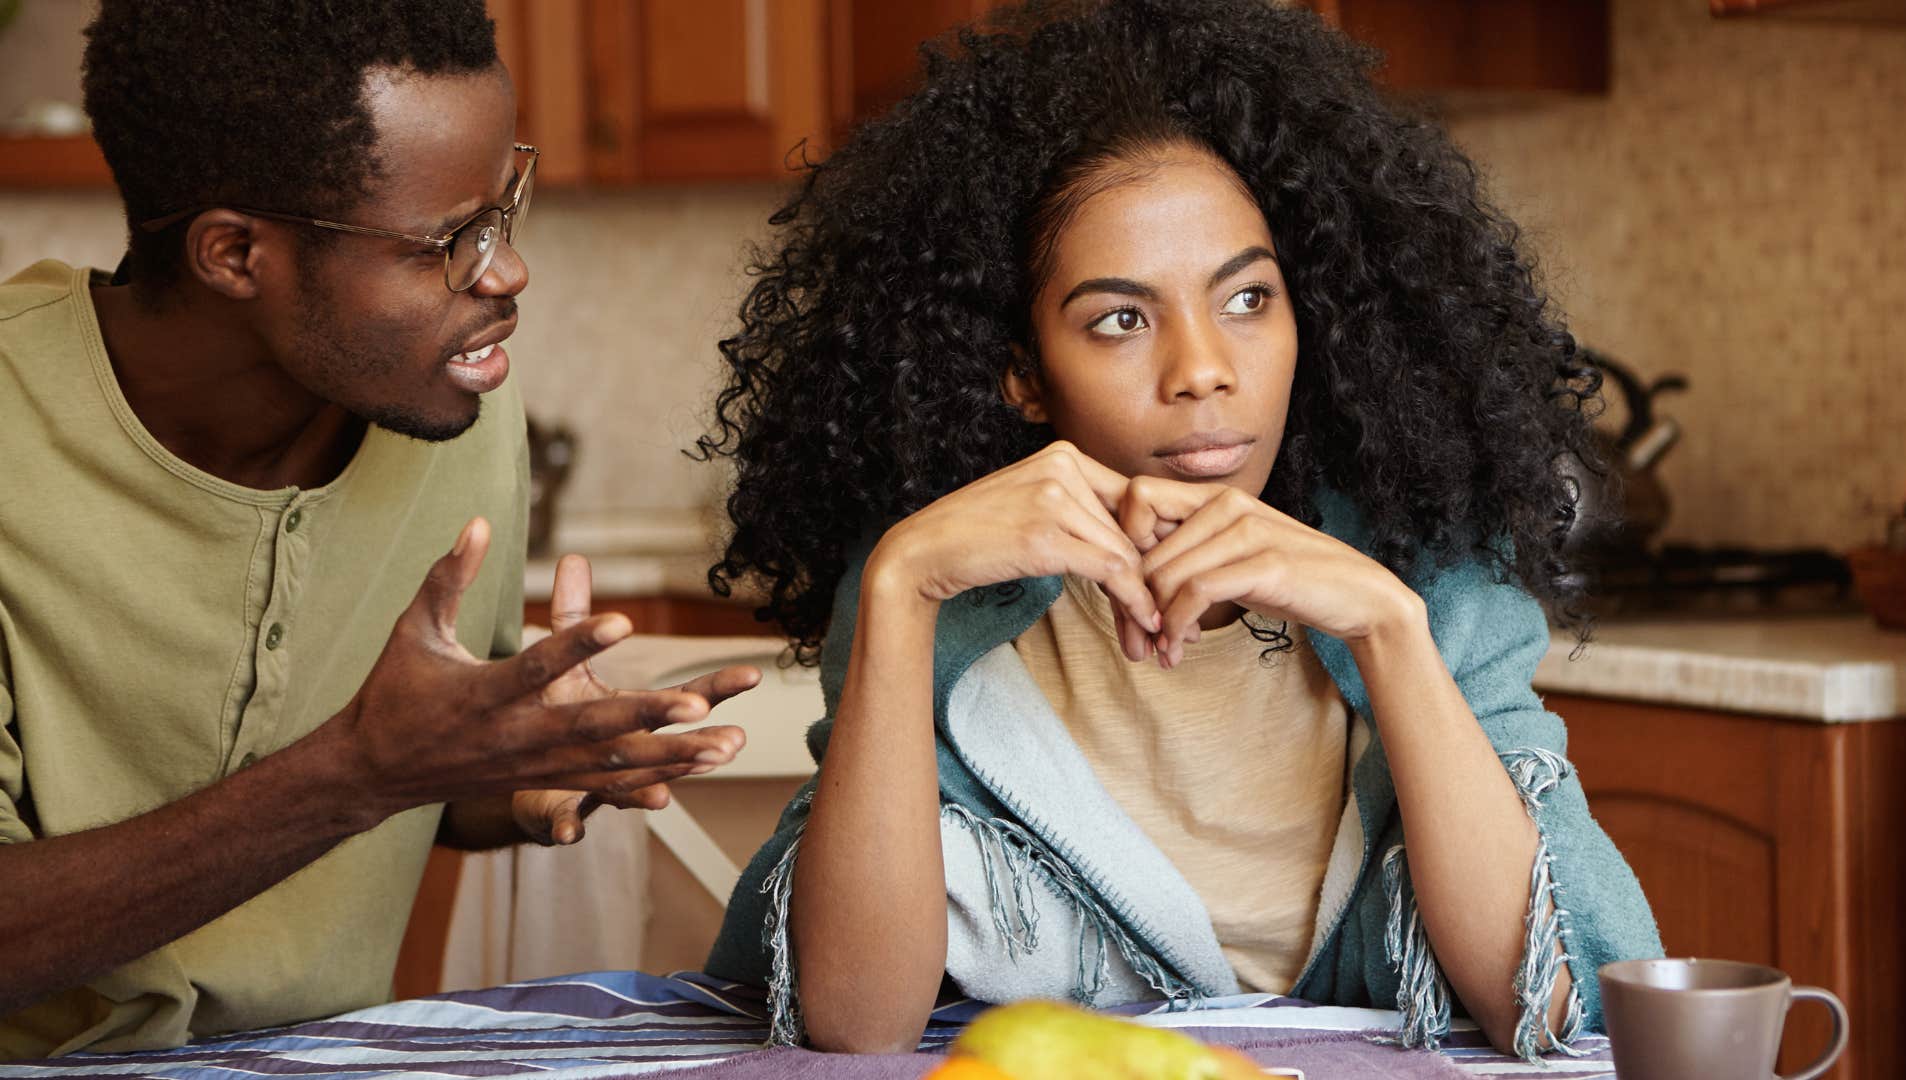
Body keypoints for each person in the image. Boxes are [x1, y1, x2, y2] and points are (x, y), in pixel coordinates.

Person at [696, 0, 1661, 1061]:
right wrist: (897, 588)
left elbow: (1563, 1003)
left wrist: (1389, 629)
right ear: (1021, 372)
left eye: (1248, 299)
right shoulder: (947, 588)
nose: (1203, 368)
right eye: (1122, 318)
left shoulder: (1430, 559)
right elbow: (851, 1023)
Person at [0, 0, 756, 1059]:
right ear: (233, 253)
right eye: (449, 239)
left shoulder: (461, 414)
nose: (505, 273)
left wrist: (524, 758)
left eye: (505, 209)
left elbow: (426, 781)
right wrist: (362, 771)